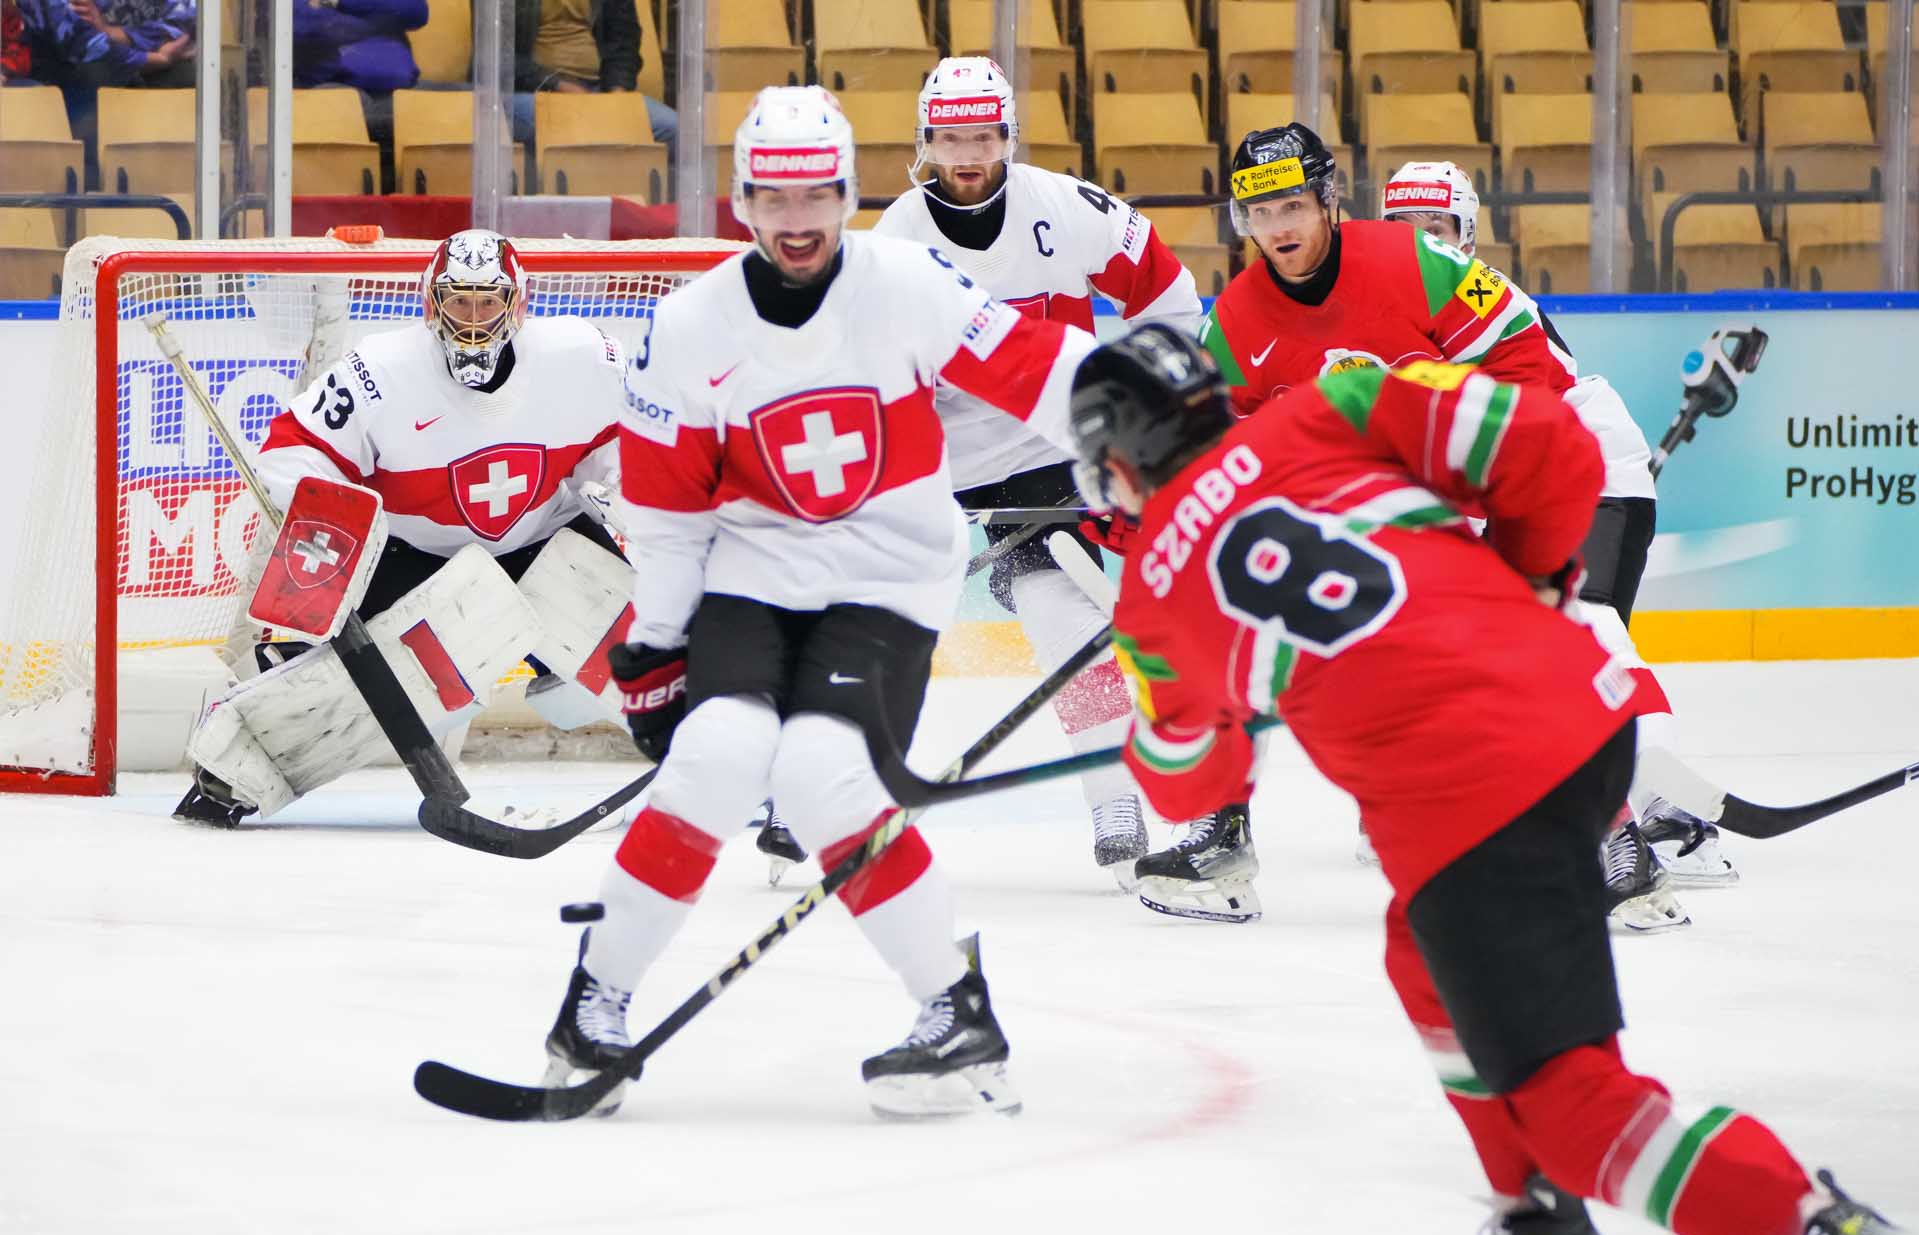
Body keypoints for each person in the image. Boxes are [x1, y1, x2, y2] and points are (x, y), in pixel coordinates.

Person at [1069, 323, 1919, 1235]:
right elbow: (1547, 442)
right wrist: (1536, 578)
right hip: (1585, 711)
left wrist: (1165, 732)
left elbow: (1192, 788)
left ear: (1117, 457)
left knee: (1569, 1106)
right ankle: (1538, 1222)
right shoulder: (1326, 406)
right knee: (1418, 953)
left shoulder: (1152, 598)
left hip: (1473, 804)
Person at [542, 85, 1098, 1119]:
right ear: (742, 200)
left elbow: (1038, 370)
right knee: (714, 759)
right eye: (773, 197)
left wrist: (1149, 421)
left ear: (847, 193)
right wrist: (656, 643)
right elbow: (667, 514)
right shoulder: (689, 326)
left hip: (888, 577)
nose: (795, 221)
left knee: (819, 775)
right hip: (753, 575)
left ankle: (953, 1009)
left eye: (815, 196)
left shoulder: (907, 284)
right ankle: (593, 1002)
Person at [1197, 122, 1684, 933]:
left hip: (1535, 463)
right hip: (1422, 500)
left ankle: (1624, 837)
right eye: (1259, 213)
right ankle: (1222, 829)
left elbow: (1531, 363)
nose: (1277, 228)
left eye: (1291, 205)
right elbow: (1228, 454)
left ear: (1327, 200)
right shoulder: (1234, 323)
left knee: (1551, 641)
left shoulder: (1414, 263)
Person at [869, 55, 1203, 889]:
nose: (968, 154)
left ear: (1009, 135)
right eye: (952, 138)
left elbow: (1170, 297)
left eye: (983, 135)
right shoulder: (894, 244)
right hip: (935, 462)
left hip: (1047, 451)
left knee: (1066, 618)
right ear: (926, 141)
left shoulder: (1066, 208)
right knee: (871, 621)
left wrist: (1133, 407)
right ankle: (822, 789)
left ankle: (1115, 798)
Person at [174, 227, 632, 827]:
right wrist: (346, 534)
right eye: (459, 302)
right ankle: (235, 771)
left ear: (517, 304)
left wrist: (636, 511)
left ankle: (725, 752)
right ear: (431, 304)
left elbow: (642, 454)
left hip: (542, 542)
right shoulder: (378, 371)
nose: (473, 320)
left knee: (644, 640)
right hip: (414, 556)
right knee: (371, 681)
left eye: (487, 303)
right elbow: (288, 455)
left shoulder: (584, 358)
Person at [1379, 158, 1737, 904]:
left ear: (1467, 236)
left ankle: (1667, 804)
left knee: (1588, 627)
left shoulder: (1482, 299)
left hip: (1588, 472)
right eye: (1403, 228)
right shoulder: (1388, 316)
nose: (1421, 243)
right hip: (1512, 492)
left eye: (1436, 228)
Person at [15, 0, 194, 168]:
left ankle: (165, 179)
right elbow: (80, 41)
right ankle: (94, 180)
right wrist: (154, 59)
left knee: (188, 77)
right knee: (96, 74)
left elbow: (183, 24)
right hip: (69, 72)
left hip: (136, 62)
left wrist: (112, 32)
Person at [512, 0, 673, 146]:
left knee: (674, 130)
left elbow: (624, 41)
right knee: (577, 127)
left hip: (599, 92)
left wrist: (618, 93)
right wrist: (557, 85)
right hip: (536, 93)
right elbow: (502, 56)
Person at [293, 0, 427, 151]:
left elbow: (416, 10)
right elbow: (301, 25)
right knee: (340, 108)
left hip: (397, 86)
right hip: (325, 87)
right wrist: (377, 23)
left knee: (444, 108)